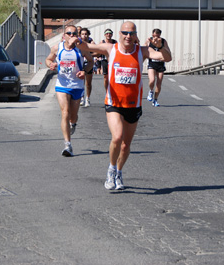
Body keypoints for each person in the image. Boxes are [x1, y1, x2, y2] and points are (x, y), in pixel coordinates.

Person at [68, 21, 171, 191]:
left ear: (135, 35)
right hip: (114, 103)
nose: (128, 36)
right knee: (117, 137)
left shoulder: (142, 51)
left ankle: (119, 171)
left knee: (126, 145)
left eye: (131, 33)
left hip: (133, 105)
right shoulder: (111, 49)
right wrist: (75, 40)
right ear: (120, 34)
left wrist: (162, 46)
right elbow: (87, 46)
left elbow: (166, 58)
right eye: (125, 33)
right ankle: (111, 169)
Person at [45, 25, 93, 157]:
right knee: (65, 112)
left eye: (74, 34)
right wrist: (51, 64)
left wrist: (84, 71)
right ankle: (68, 145)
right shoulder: (57, 48)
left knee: (73, 116)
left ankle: (73, 123)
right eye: (69, 33)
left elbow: (90, 61)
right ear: (64, 35)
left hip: (76, 85)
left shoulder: (81, 48)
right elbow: (48, 59)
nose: (71, 36)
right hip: (62, 84)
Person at [144, 28, 170, 107]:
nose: (156, 38)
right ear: (152, 35)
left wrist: (162, 48)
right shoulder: (148, 41)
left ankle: (155, 100)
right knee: (152, 80)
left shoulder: (163, 41)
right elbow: (144, 50)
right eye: (155, 36)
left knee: (159, 83)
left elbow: (168, 51)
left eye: (158, 36)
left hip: (160, 64)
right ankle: (151, 91)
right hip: (152, 63)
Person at [79, 28, 95, 107]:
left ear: (88, 35)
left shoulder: (91, 42)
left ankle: (87, 98)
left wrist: (89, 56)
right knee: (81, 82)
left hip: (88, 63)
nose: (84, 36)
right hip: (80, 64)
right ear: (80, 35)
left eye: (86, 34)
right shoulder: (78, 42)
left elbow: (97, 52)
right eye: (82, 34)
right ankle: (81, 98)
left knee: (88, 83)